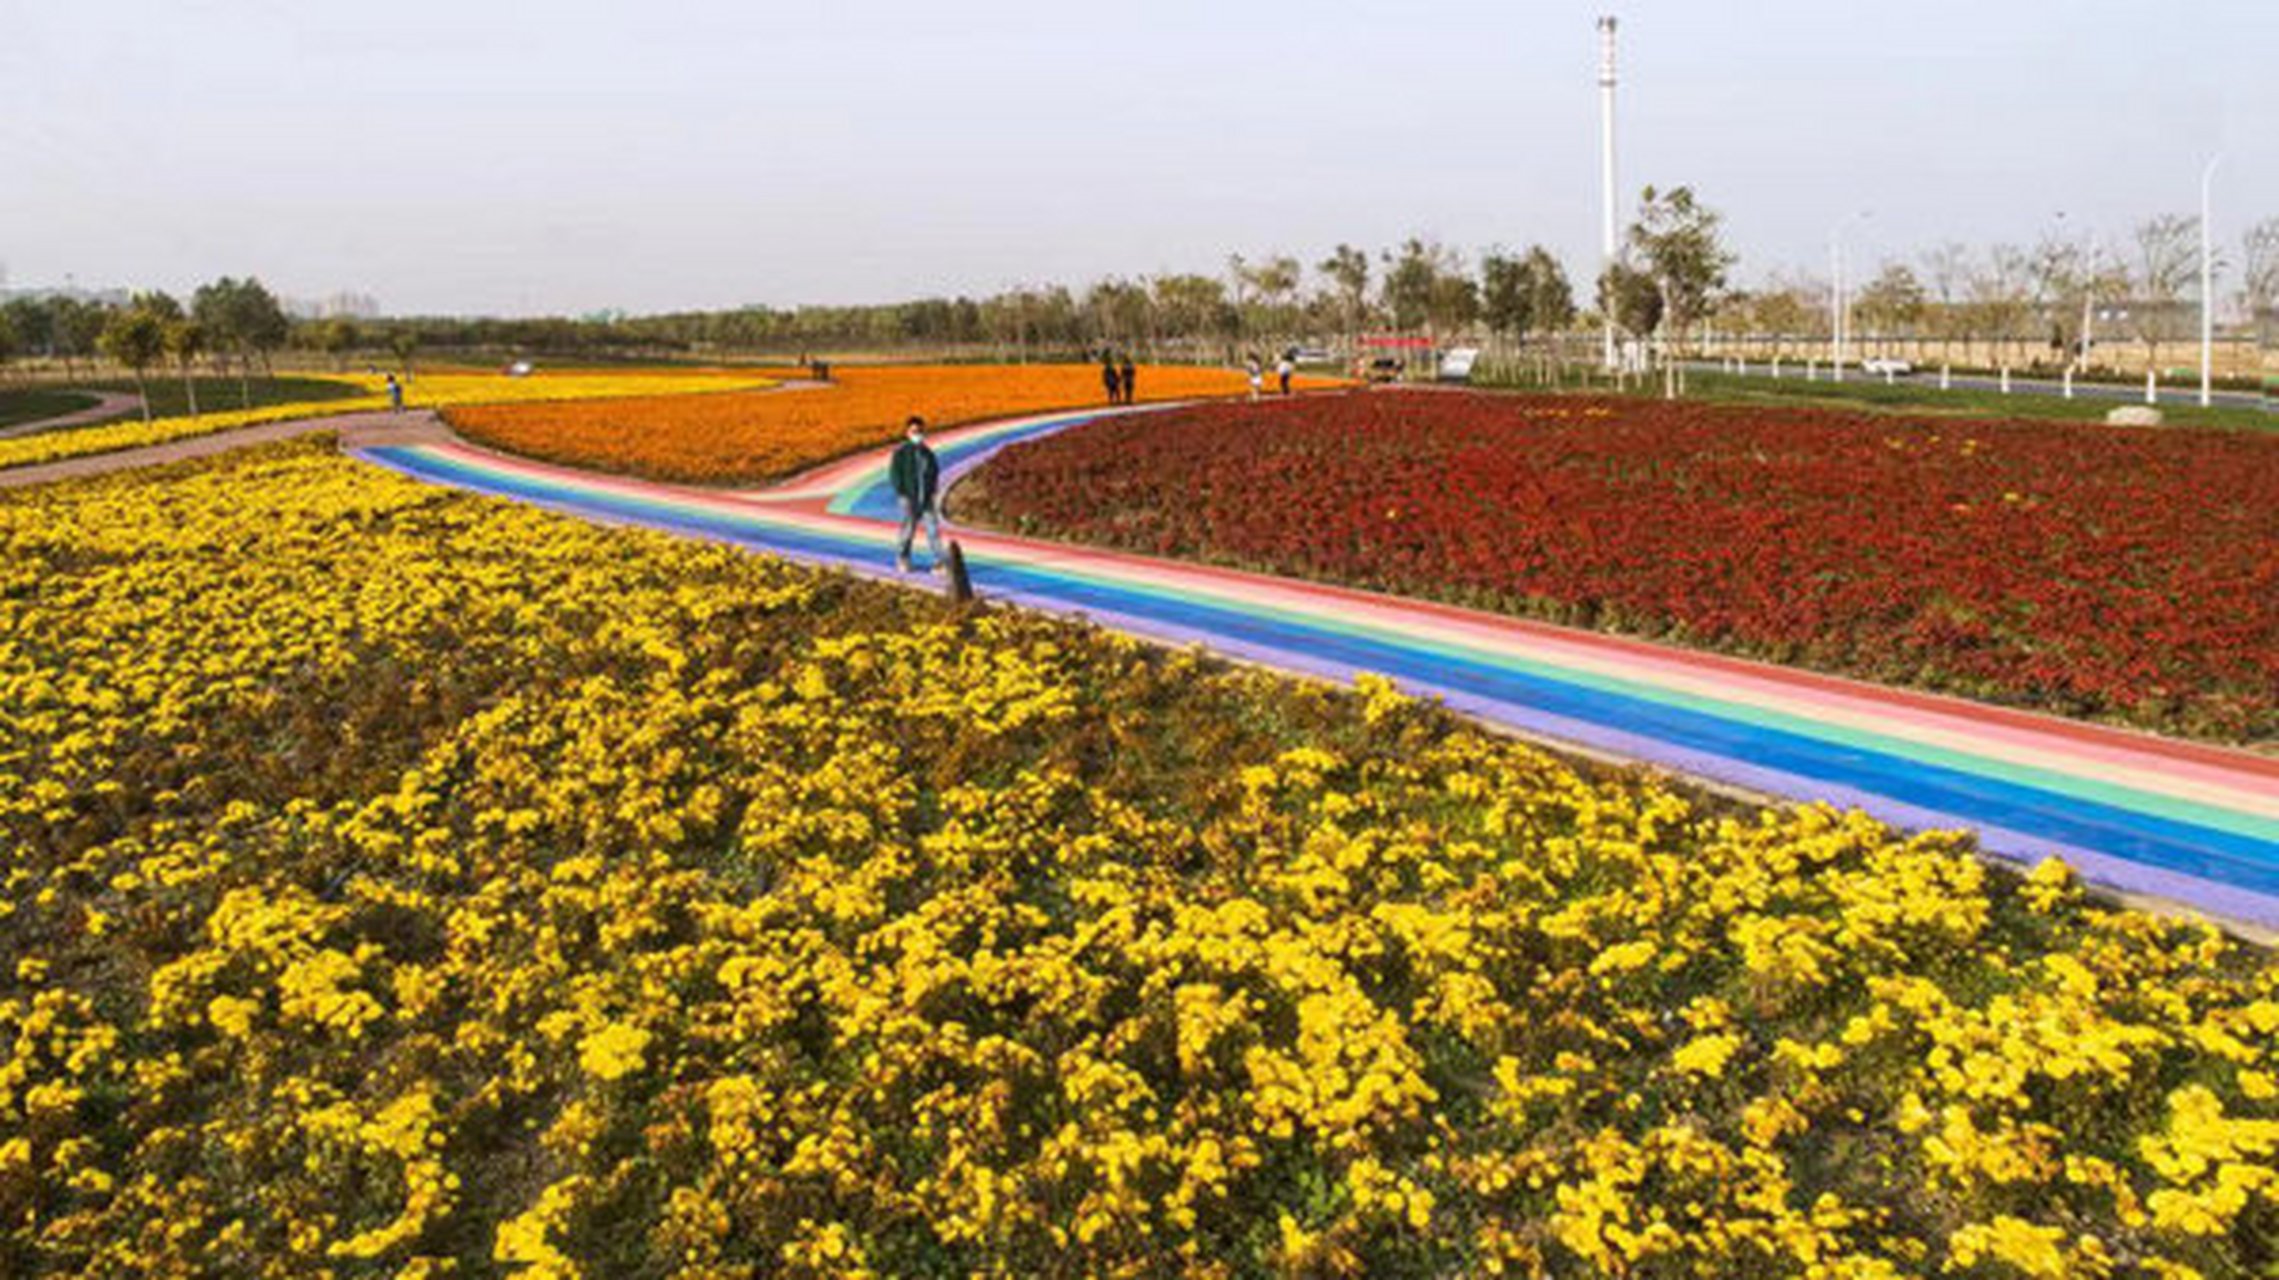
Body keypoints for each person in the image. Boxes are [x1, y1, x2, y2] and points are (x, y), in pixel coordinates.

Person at [889, 415, 944, 574]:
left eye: (920, 431)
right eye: (914, 431)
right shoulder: (901, 453)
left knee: (933, 530)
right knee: (908, 530)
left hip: (926, 499)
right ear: (907, 432)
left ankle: (939, 561)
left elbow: (934, 473)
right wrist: (902, 493)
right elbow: (895, 474)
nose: (917, 434)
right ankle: (903, 558)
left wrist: (933, 492)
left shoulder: (928, 454)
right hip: (909, 498)